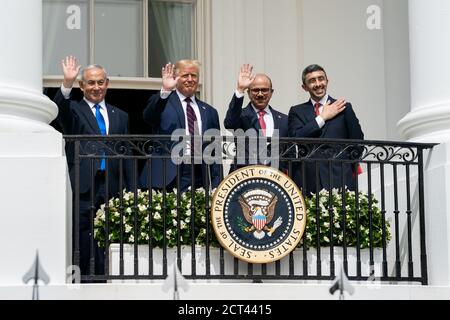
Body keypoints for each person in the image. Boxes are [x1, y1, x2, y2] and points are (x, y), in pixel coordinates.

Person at [53, 56, 132, 279]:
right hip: (85, 182)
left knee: (111, 230)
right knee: (83, 231)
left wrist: (129, 187)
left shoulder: (121, 116)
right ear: (82, 86)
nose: (96, 87)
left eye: (100, 82)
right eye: (90, 83)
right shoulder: (75, 110)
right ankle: (84, 278)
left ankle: (108, 277)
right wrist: (66, 83)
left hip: (112, 183)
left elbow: (126, 153)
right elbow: (60, 110)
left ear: (106, 83)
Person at [139, 60, 221, 192]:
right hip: (168, 174)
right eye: (185, 75)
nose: (190, 79)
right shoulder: (163, 102)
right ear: (176, 78)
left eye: (194, 76)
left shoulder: (209, 111)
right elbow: (149, 117)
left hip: (199, 173)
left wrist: (217, 184)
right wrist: (165, 90)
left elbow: (215, 150)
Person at [288, 64, 364, 195]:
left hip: (340, 178)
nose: (318, 84)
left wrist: (344, 164)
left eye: (321, 78)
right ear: (304, 87)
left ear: (327, 81)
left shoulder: (343, 108)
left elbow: (357, 143)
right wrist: (322, 118)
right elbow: (296, 137)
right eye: (312, 81)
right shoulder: (297, 111)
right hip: (309, 180)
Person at [224, 64, 289, 172]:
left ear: (271, 92)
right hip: (245, 176)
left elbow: (288, 152)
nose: (260, 94)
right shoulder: (241, 116)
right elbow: (229, 123)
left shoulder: (284, 119)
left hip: (275, 178)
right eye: (255, 90)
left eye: (264, 90)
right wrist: (240, 89)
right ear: (248, 93)